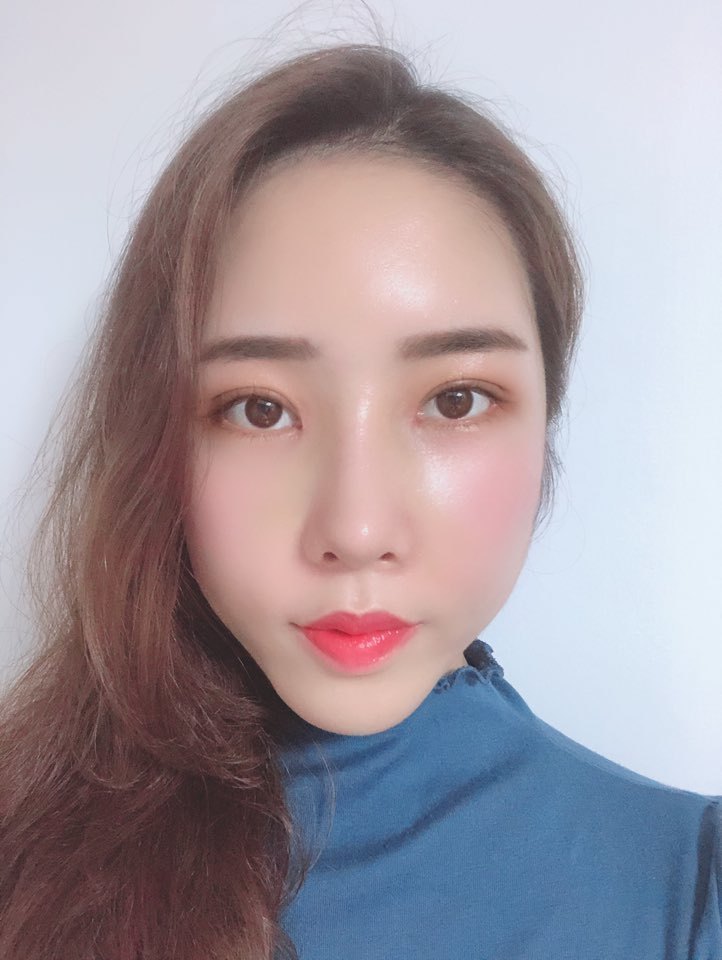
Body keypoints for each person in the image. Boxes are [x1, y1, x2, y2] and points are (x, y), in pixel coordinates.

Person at [0, 38, 719, 960]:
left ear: (547, 422)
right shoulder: (27, 841)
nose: (357, 528)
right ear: (156, 442)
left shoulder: (688, 892)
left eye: (454, 400)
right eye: (259, 409)